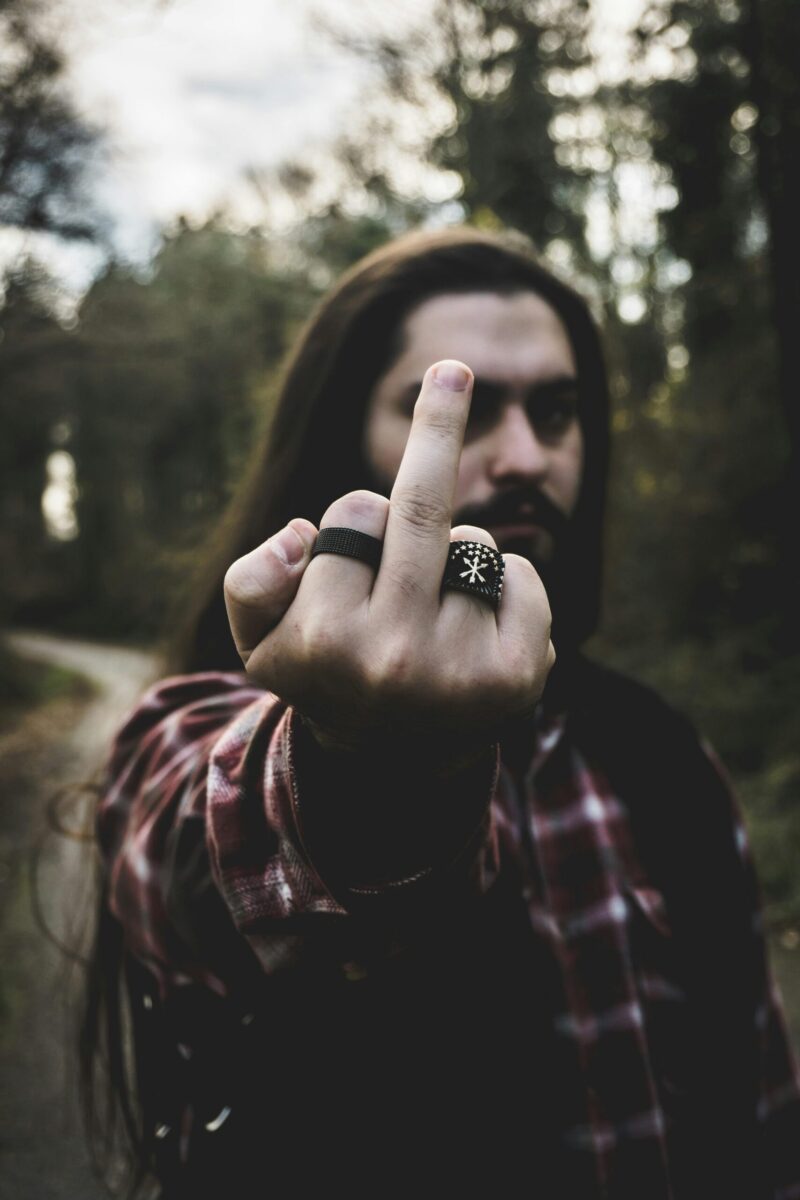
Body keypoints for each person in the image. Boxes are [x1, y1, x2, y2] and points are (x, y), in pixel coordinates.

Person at [84, 227, 800, 1199]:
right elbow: (209, 856)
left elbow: (760, 1107)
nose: (522, 459)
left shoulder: (659, 750)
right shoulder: (198, 726)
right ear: (344, 447)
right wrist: (368, 766)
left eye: (555, 412)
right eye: (454, 411)